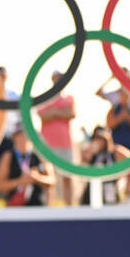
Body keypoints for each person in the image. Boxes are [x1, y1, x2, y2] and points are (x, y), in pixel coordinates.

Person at [36, 72, 78, 203]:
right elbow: (43, 116)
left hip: (65, 143)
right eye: (56, 79)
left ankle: (69, 207)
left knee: (67, 177)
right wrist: (60, 112)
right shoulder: (45, 98)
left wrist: (53, 112)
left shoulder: (69, 98)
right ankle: (48, 205)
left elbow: (71, 113)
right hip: (47, 144)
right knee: (48, 176)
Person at [0, 126, 53, 207]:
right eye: (21, 135)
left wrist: (37, 178)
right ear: (15, 137)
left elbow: (52, 180)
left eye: (27, 134)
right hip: (15, 207)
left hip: (38, 206)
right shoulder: (8, 156)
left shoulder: (40, 155)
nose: (24, 138)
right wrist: (20, 182)